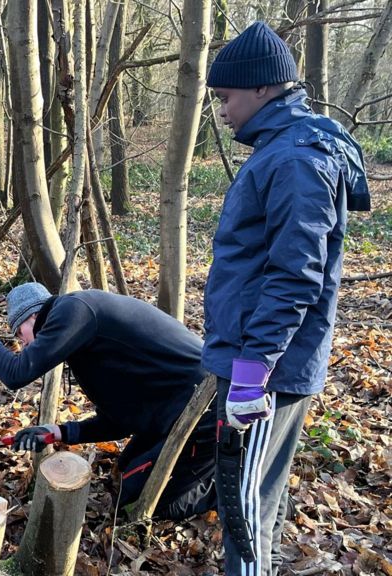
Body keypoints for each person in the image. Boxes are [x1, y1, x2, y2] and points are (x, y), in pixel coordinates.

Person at [203, 22, 369, 575]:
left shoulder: (297, 159)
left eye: (226, 97)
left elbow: (296, 274)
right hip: (259, 356)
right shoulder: (284, 150)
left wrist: (253, 369)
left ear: (262, 88)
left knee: (245, 510)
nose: (222, 111)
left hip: (266, 367)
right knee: (252, 501)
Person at [0, 280, 216, 521]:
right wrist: (57, 433)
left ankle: (231, 485)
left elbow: (16, 373)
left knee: (140, 499)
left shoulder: (74, 311)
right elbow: (119, 421)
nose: (24, 345)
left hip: (206, 408)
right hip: (172, 411)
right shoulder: (83, 339)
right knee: (123, 473)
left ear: (33, 316)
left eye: (20, 333)